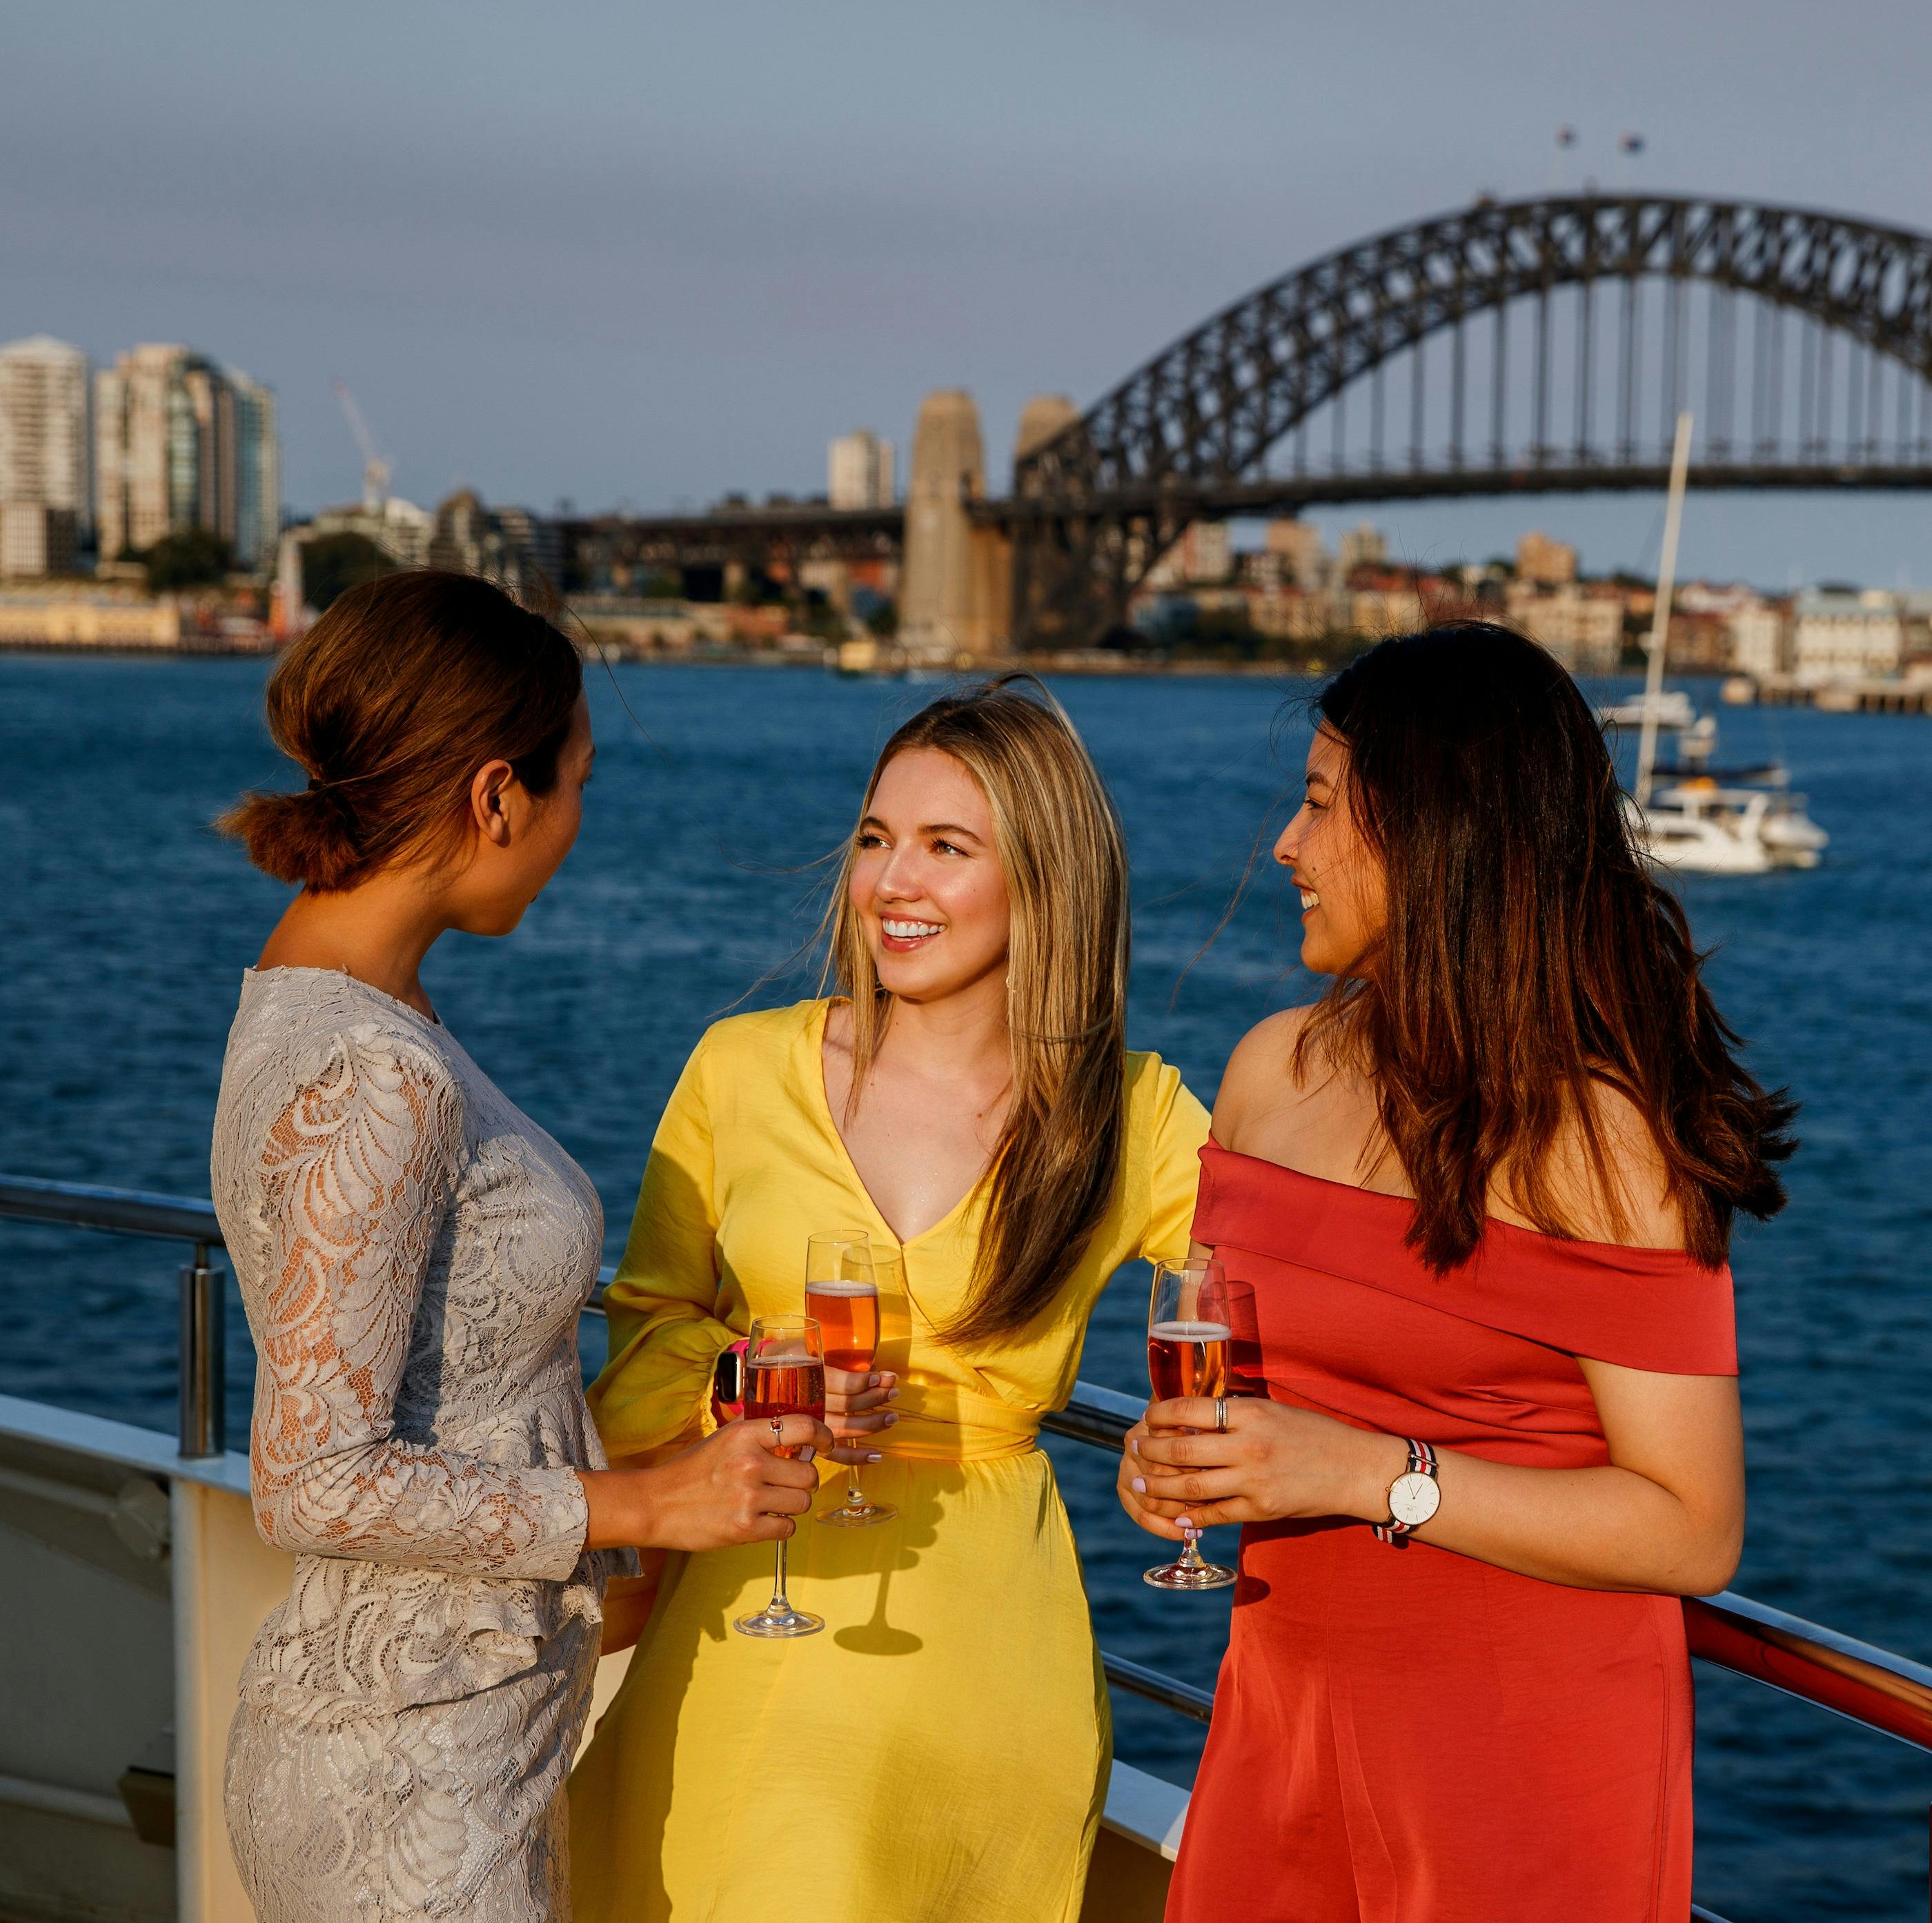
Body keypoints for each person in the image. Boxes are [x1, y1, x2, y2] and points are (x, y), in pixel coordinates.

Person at [1122, 621, 1797, 1922]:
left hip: (1521, 1760)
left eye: (1319, 806)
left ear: (1433, 836)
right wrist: (1165, 1461)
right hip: (1280, 1714)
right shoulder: (1273, 1072)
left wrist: (1361, 1471)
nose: (1286, 846)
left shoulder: (1604, 1141)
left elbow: (1695, 1527)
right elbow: (1224, 1372)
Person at [208, 572, 818, 1923]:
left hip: (440, 1743)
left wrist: (679, 1460)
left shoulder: (328, 1001)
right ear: (496, 797)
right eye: (576, 785)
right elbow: (313, 1482)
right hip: (406, 1789)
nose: (577, 831)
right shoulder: (377, 1070)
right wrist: (652, 1508)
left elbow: (454, 1395)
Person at [569, 679, 1208, 1923]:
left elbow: (1293, 1303)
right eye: (875, 839)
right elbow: (635, 1346)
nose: (889, 884)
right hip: (761, 1621)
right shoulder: (739, 1069)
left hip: (987, 1671)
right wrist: (744, 1378)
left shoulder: (1134, 1117)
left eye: (945, 848)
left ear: (1046, 880)